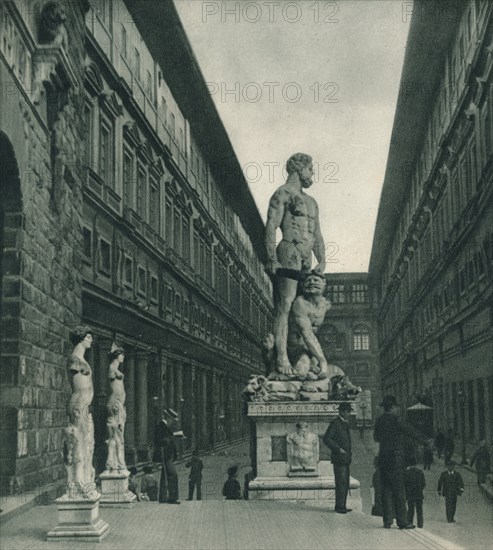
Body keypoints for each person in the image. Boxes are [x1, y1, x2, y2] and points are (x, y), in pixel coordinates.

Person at [265, 152, 326, 377]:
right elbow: (271, 225)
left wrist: (323, 259)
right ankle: (281, 358)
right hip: (289, 249)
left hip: (306, 257)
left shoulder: (312, 202)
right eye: (310, 169)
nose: (312, 174)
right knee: (285, 304)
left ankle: (301, 355)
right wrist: (271, 257)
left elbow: (317, 233)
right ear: (299, 169)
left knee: (302, 308)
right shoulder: (282, 193)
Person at [373, 395, 424, 529]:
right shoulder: (397, 420)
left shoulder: (379, 420)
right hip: (395, 459)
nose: (397, 409)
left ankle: (387, 520)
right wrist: (425, 441)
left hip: (383, 458)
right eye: (396, 407)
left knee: (385, 490)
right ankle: (402, 521)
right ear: (393, 407)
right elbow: (410, 431)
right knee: (399, 490)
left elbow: (376, 437)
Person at [64, 325, 98, 500]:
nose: (91, 339)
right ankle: (78, 483)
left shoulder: (81, 359)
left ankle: (84, 480)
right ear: (81, 338)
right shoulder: (75, 360)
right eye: (88, 336)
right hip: (79, 404)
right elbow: (78, 388)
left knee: (87, 442)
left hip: (84, 404)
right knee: (79, 442)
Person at [286, 272, 334, 380]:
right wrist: (323, 360)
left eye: (316, 280)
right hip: (294, 347)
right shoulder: (300, 303)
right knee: (303, 366)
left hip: (309, 346)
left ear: (324, 283)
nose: (312, 283)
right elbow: (306, 333)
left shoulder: (325, 305)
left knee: (314, 370)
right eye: (308, 281)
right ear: (303, 286)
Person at [323, 402, 353, 514]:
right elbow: (327, 438)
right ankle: (340, 506)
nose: (349, 414)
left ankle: (342, 505)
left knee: (345, 482)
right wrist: (338, 449)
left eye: (349, 411)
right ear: (341, 411)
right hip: (339, 458)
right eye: (347, 411)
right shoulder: (335, 423)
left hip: (345, 458)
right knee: (341, 482)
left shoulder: (345, 423)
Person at [105, 343, 127, 472]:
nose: (123, 357)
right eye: (122, 354)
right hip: (115, 404)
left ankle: (117, 462)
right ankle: (116, 463)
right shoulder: (112, 368)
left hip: (119, 404)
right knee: (116, 435)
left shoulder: (115, 368)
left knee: (118, 435)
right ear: (117, 355)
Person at [155, 409, 180, 504]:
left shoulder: (166, 426)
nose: (173, 421)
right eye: (173, 419)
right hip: (164, 454)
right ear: (168, 418)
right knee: (173, 475)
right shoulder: (160, 426)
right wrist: (170, 439)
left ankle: (163, 497)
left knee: (164, 476)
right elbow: (158, 440)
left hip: (168, 454)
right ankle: (172, 498)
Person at [404, 458, 426, 528]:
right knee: (419, 510)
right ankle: (420, 524)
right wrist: (419, 490)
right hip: (419, 494)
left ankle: (409, 522)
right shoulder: (420, 472)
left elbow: (405, 484)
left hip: (410, 494)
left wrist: (406, 492)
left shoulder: (407, 472)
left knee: (410, 510)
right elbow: (423, 483)